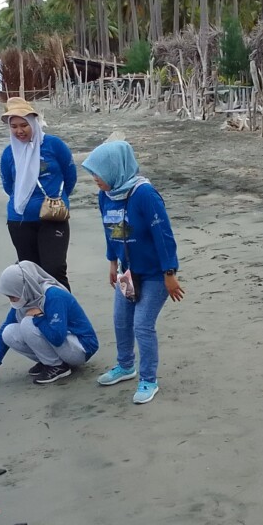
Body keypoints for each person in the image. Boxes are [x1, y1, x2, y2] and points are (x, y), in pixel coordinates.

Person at [82, 140, 183, 405]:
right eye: (93, 173)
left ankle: (149, 379)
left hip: (155, 274)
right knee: (120, 320)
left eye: (99, 172)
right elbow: (110, 232)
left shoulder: (145, 195)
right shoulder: (106, 195)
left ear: (115, 169)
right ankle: (126, 366)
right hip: (128, 271)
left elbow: (163, 235)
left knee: (142, 325)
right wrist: (112, 263)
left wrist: (170, 272)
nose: (95, 179)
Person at [0, 261, 99, 388]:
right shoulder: (27, 298)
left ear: (23, 288)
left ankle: (58, 367)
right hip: (65, 344)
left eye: (13, 296)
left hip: (82, 349)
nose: (11, 301)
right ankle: (48, 361)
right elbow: (3, 332)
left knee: (28, 323)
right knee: (8, 332)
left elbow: (57, 337)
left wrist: (39, 317)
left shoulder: (54, 296)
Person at [0, 97, 77, 289]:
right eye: (14, 126)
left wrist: (57, 198)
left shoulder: (53, 145)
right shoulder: (9, 153)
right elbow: (9, 186)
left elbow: (70, 176)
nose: (19, 131)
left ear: (34, 121)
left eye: (24, 125)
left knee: (55, 270)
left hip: (53, 217)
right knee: (30, 274)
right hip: (20, 220)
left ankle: (64, 314)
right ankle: (39, 315)